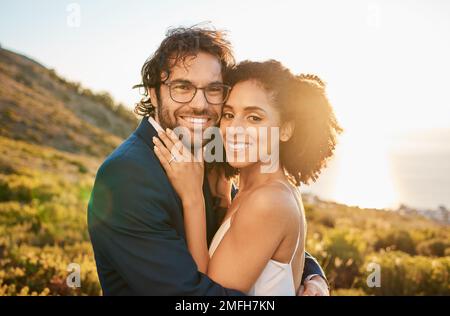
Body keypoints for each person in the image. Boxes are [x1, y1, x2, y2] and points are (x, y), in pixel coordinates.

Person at [88, 25, 329, 295]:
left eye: (213, 90)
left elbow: (258, 233)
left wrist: (313, 276)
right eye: (182, 87)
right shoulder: (128, 176)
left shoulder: (208, 155)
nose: (200, 104)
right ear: (153, 93)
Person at [153, 60, 342, 295]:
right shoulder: (258, 189)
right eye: (229, 114)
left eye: (254, 118)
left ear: (285, 130)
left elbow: (208, 296)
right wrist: (315, 278)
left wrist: (192, 197)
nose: (234, 129)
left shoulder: (268, 201)